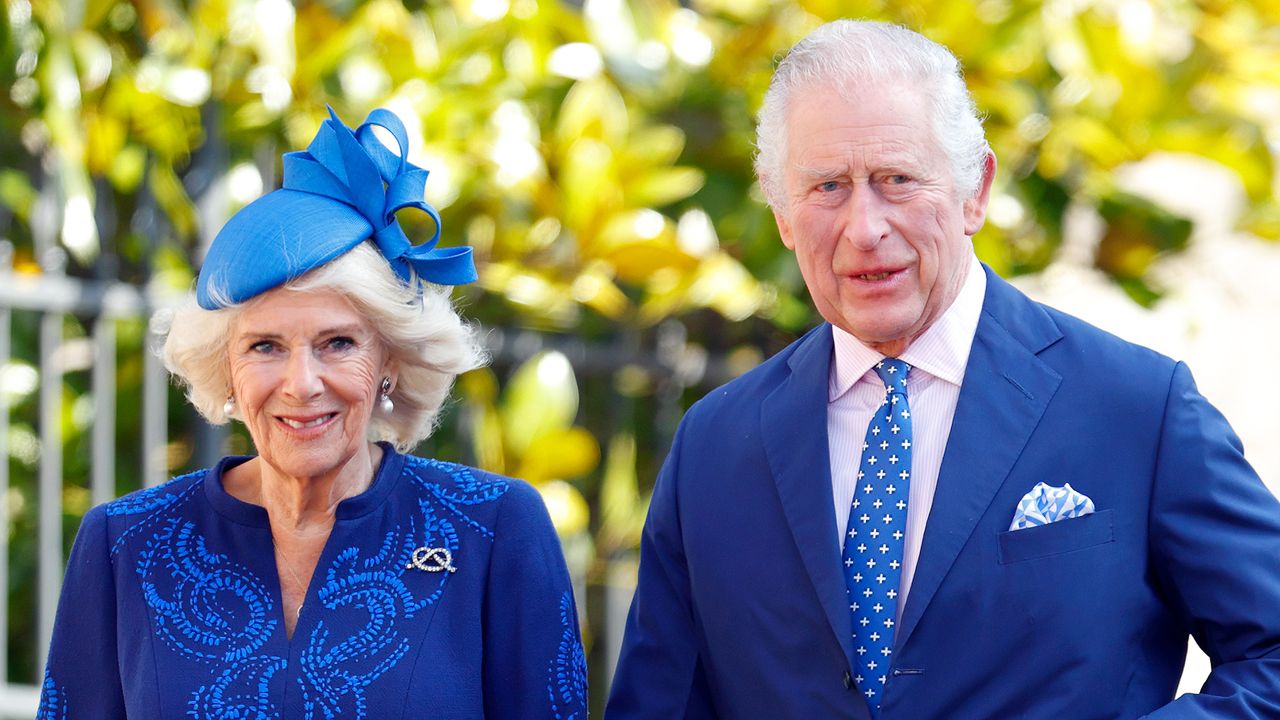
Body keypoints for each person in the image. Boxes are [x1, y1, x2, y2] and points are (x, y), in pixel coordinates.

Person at [606, 19, 1280, 720]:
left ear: (975, 190)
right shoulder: (715, 445)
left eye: (896, 179)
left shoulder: (1136, 408)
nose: (864, 228)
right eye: (828, 187)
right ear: (781, 214)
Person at [37, 108, 587, 719]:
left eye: (338, 344)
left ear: (391, 361)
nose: (301, 385)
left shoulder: (492, 529)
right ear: (226, 369)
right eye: (265, 346)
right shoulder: (126, 544)